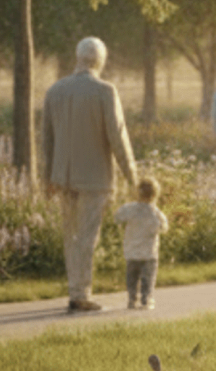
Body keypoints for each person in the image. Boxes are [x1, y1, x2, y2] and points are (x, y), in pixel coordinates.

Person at [41, 35, 141, 313]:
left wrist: (46, 178)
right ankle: (80, 294)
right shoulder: (105, 92)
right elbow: (117, 137)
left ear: (77, 57)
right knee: (87, 237)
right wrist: (132, 176)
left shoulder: (55, 91)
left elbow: (46, 141)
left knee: (71, 235)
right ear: (100, 60)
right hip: (94, 177)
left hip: (62, 177)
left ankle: (76, 289)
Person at [115, 177, 170, 310]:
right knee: (148, 278)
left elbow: (117, 217)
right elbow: (164, 227)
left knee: (132, 278)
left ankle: (132, 298)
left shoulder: (129, 209)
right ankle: (146, 298)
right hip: (149, 253)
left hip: (131, 251)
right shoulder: (155, 212)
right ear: (155, 195)